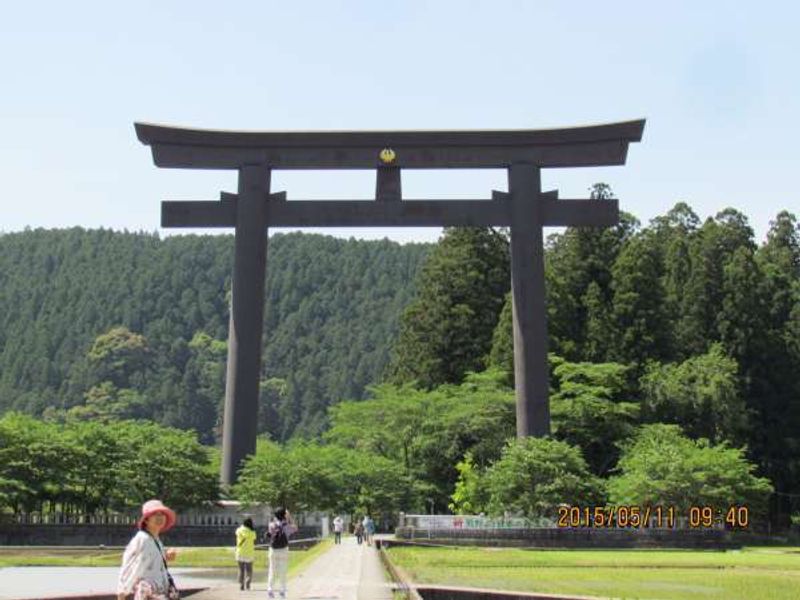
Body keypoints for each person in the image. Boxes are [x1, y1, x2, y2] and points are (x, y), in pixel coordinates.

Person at [117, 499, 179, 600]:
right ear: (146, 519)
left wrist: (165, 556)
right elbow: (133, 567)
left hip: (159, 593)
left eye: (162, 514)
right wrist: (122, 593)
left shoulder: (155, 539)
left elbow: (150, 563)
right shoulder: (143, 539)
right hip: (149, 594)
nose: (160, 517)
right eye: (155, 514)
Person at [266, 507, 297, 599]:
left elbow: (270, 533)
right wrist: (289, 517)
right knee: (283, 570)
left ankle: (270, 590)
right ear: (284, 515)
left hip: (273, 550)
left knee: (272, 569)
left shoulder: (271, 524)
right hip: (283, 549)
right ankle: (282, 591)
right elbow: (295, 528)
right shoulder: (287, 526)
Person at [235, 517, 257, 590]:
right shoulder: (252, 532)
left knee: (241, 569)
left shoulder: (239, 530)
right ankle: (248, 583)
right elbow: (254, 539)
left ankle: (241, 584)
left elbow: (237, 534)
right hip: (249, 553)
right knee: (249, 570)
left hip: (240, 551)